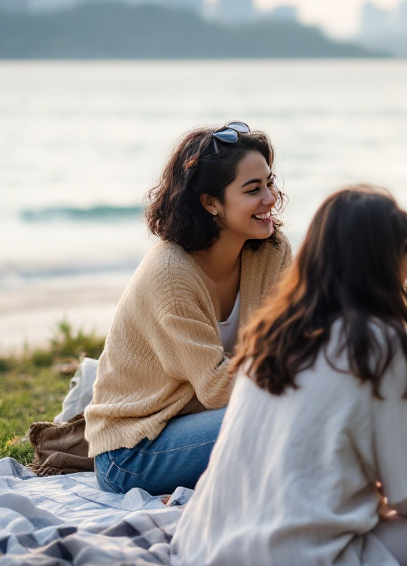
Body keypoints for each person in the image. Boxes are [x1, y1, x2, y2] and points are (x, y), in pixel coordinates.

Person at [171, 186, 407, 566]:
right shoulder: (384, 345)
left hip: (207, 545)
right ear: (391, 262)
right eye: (405, 252)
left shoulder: (271, 334)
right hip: (299, 561)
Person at [85, 122, 291, 496]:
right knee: (276, 417)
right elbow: (216, 388)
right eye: (252, 189)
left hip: (205, 422)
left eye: (269, 183)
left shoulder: (272, 252)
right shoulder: (171, 275)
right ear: (210, 202)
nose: (270, 198)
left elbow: (294, 337)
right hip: (133, 449)